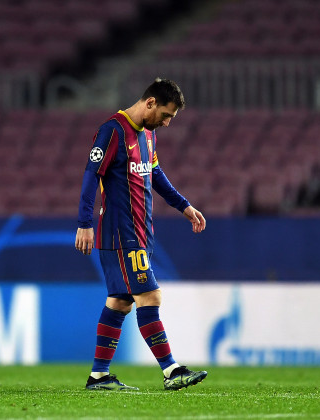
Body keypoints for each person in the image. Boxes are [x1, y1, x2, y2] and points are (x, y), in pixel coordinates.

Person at [75, 78, 208, 391]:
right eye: (165, 115)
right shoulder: (113, 131)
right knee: (150, 295)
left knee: (120, 301)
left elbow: (156, 175)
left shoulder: (148, 136)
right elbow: (91, 175)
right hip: (122, 233)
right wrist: (84, 222)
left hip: (139, 233)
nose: (166, 123)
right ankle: (171, 370)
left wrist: (184, 206)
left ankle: (99, 376)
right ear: (150, 103)